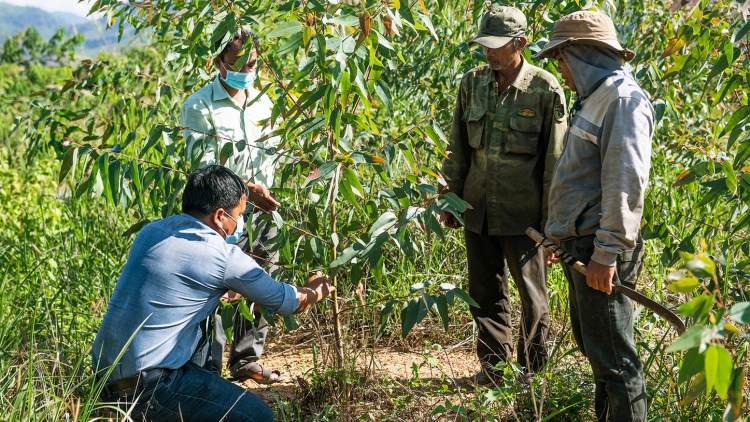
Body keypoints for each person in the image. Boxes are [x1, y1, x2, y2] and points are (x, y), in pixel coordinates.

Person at [92, 165, 335, 421]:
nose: (240, 224)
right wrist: (316, 287)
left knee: (200, 329)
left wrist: (245, 191)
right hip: (149, 391)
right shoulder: (222, 256)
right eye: (239, 215)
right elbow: (288, 302)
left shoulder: (151, 232)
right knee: (259, 416)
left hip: (105, 378)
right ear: (220, 216)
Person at [533, 11, 653, 421]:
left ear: (583, 55)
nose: (560, 70)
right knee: (597, 350)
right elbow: (581, 178)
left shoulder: (623, 101)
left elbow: (625, 182)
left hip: (599, 252)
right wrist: (558, 235)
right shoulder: (597, 97)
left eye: (563, 59)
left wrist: (606, 254)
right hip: (581, 246)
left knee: (616, 362)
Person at [440, 6, 567, 386]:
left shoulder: (545, 89)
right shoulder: (472, 83)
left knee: (533, 299)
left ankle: (531, 374)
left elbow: (555, 164)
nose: (488, 52)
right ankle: (494, 370)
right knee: (484, 291)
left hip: (524, 218)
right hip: (477, 210)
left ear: (520, 44)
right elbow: (457, 147)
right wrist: (450, 200)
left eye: (496, 46)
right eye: (484, 44)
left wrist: (553, 225)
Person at [180, 28, 284, 382]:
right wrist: (245, 188)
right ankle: (207, 369)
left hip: (264, 209)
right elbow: (205, 165)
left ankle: (247, 359)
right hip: (221, 214)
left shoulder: (267, 102)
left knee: (259, 277)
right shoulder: (198, 105)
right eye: (237, 62)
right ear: (218, 62)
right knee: (216, 286)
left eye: (252, 63)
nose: (246, 70)